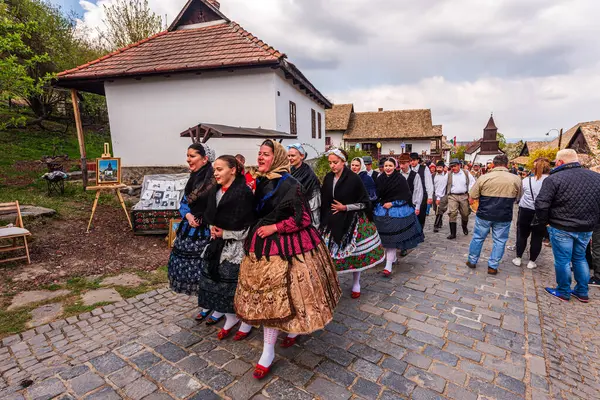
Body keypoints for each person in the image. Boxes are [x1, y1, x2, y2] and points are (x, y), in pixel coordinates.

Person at [235, 140, 341, 379]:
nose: (260, 158)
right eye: (259, 154)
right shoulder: (260, 181)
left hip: (288, 244)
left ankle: (281, 341)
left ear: (278, 157)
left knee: (294, 294)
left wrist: (275, 228)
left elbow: (303, 219)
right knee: (270, 299)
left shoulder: (290, 183)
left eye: (266, 154)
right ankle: (269, 349)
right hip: (260, 246)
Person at [200, 155, 255, 340]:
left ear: (233, 170)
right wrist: (213, 229)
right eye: (214, 169)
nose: (215, 173)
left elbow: (247, 227)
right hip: (217, 246)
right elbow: (210, 215)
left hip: (235, 248)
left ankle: (246, 322)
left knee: (236, 288)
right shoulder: (215, 190)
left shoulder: (244, 193)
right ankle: (230, 318)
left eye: (220, 169)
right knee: (219, 286)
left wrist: (225, 234)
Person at [536, 149, 600, 302]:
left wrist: (545, 222)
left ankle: (564, 290)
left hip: (561, 226)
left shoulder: (554, 179)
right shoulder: (596, 178)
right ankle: (582, 291)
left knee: (563, 260)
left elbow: (541, 204)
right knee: (580, 258)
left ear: (560, 162)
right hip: (586, 226)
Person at [321, 149, 385, 298]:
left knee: (355, 255)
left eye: (335, 162)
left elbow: (365, 203)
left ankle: (356, 282)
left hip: (352, 219)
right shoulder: (328, 178)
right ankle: (332, 283)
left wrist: (346, 207)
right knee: (329, 255)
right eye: (330, 163)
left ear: (343, 162)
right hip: (332, 220)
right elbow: (325, 199)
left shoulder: (353, 179)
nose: (332, 166)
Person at [168, 143, 216, 321]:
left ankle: (216, 306)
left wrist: (204, 218)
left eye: (192, 156)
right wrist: (188, 215)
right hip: (191, 228)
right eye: (187, 156)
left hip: (208, 230)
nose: (188, 159)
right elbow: (184, 202)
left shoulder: (213, 179)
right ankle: (205, 304)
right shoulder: (193, 178)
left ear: (205, 158)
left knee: (208, 269)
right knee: (195, 271)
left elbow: (217, 203)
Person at [466, 155, 522, 275]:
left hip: (484, 213)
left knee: (478, 237)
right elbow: (518, 198)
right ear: (506, 164)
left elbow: (472, 197)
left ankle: (472, 260)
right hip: (504, 214)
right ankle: (493, 266)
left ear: (493, 164)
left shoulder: (484, 177)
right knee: (500, 241)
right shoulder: (516, 179)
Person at [374, 157, 424, 276]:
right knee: (384, 239)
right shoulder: (380, 178)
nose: (388, 168)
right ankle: (392, 259)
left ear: (395, 167)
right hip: (381, 212)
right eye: (386, 166)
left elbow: (406, 195)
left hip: (396, 212)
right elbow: (377, 194)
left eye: (390, 166)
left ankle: (388, 265)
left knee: (391, 239)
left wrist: (392, 203)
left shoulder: (400, 179)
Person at [512, 158, 551, 270]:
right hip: (542, 212)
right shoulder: (551, 181)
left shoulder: (526, 180)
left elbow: (521, 194)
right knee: (537, 237)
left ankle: (518, 258)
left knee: (522, 235)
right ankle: (532, 261)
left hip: (525, 210)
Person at [436, 159, 476, 239]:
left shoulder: (466, 173)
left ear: (459, 165)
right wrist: (438, 197)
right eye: (451, 166)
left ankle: (464, 226)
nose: (453, 168)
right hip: (452, 196)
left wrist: (471, 196)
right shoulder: (449, 174)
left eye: (454, 166)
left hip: (464, 196)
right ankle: (453, 233)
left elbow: (472, 184)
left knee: (465, 213)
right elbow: (442, 185)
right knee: (452, 213)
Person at [287, 143, 321, 227]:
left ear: (301, 156)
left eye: (293, 156)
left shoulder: (308, 174)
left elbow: (314, 196)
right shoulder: (291, 170)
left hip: (310, 208)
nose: (290, 158)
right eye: (289, 156)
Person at [409, 153, 434, 230]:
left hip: (423, 195)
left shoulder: (424, 168)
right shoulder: (408, 169)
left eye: (414, 160)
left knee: (421, 215)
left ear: (418, 160)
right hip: (411, 195)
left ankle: (420, 230)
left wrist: (430, 196)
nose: (412, 162)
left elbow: (428, 182)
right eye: (410, 160)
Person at [432, 161, 447, 233]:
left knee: (440, 209)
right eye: (437, 167)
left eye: (440, 167)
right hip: (435, 194)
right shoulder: (433, 175)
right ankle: (440, 221)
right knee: (436, 210)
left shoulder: (446, 176)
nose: (438, 169)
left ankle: (436, 225)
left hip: (443, 195)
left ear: (443, 168)